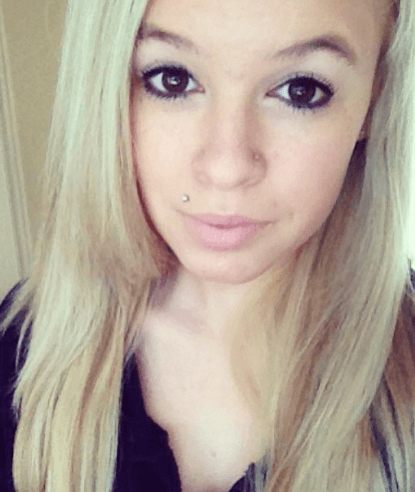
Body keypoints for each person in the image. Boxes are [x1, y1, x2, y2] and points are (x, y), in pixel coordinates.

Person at [1, 0, 415, 490]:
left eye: (301, 89)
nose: (226, 167)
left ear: (374, 100)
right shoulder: (26, 345)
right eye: (172, 79)